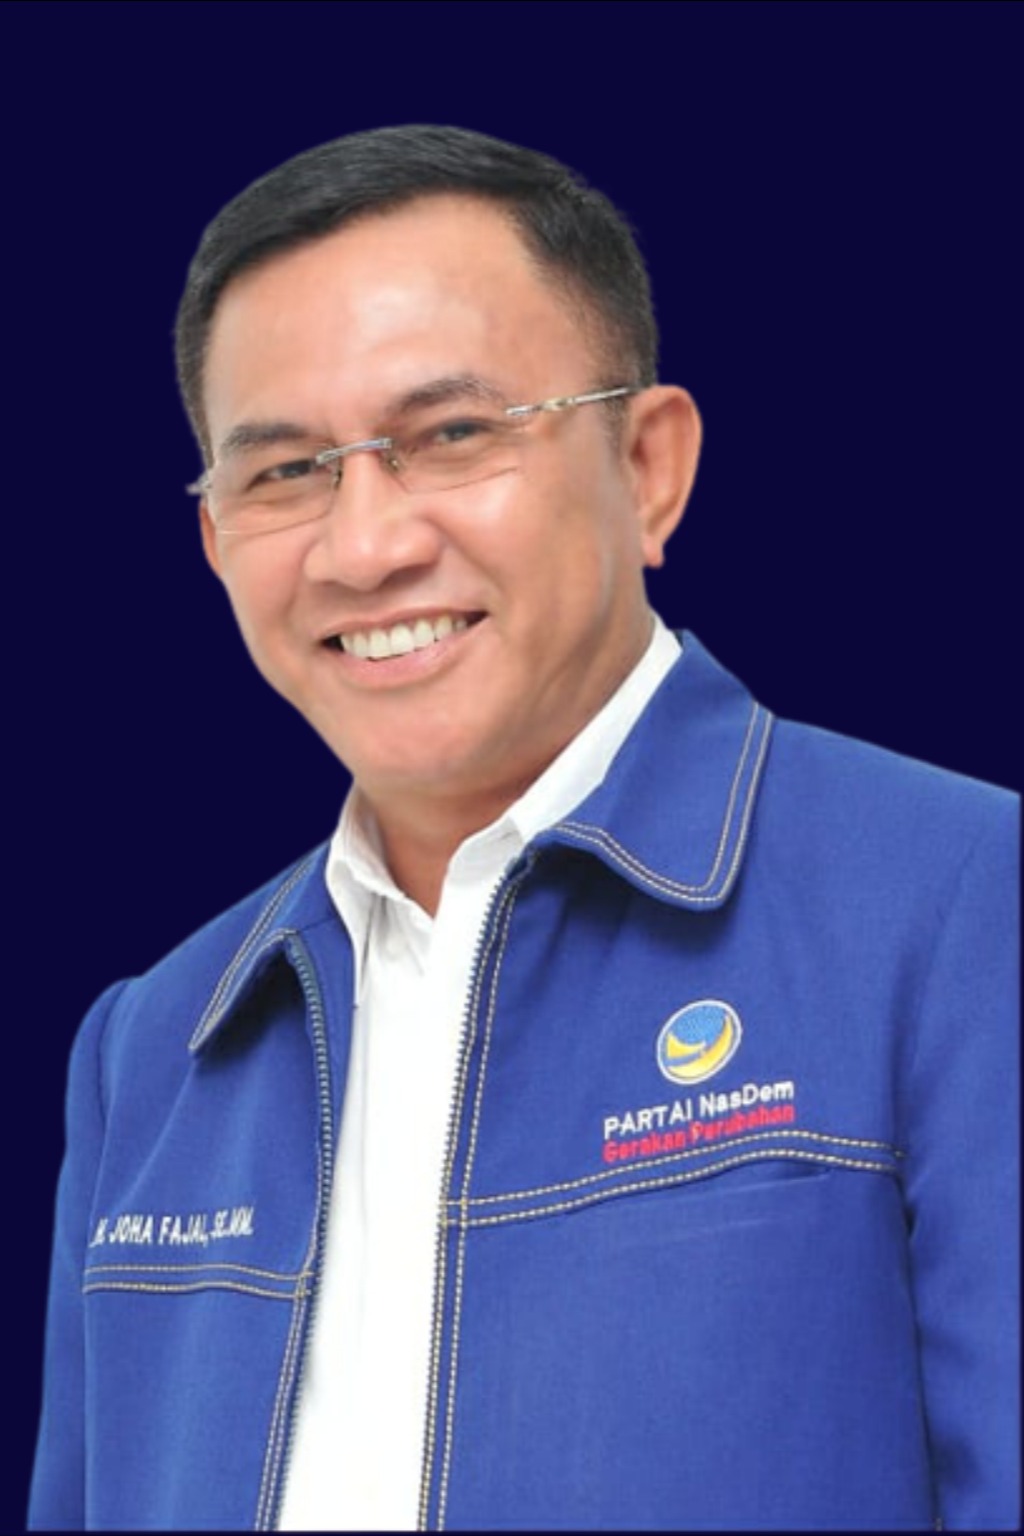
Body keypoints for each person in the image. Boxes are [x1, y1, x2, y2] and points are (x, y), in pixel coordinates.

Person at [28, 125, 1019, 1532]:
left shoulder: (966, 906)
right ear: (215, 540)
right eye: (285, 472)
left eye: (451, 436)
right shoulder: (149, 1049)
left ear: (649, 465)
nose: (365, 546)